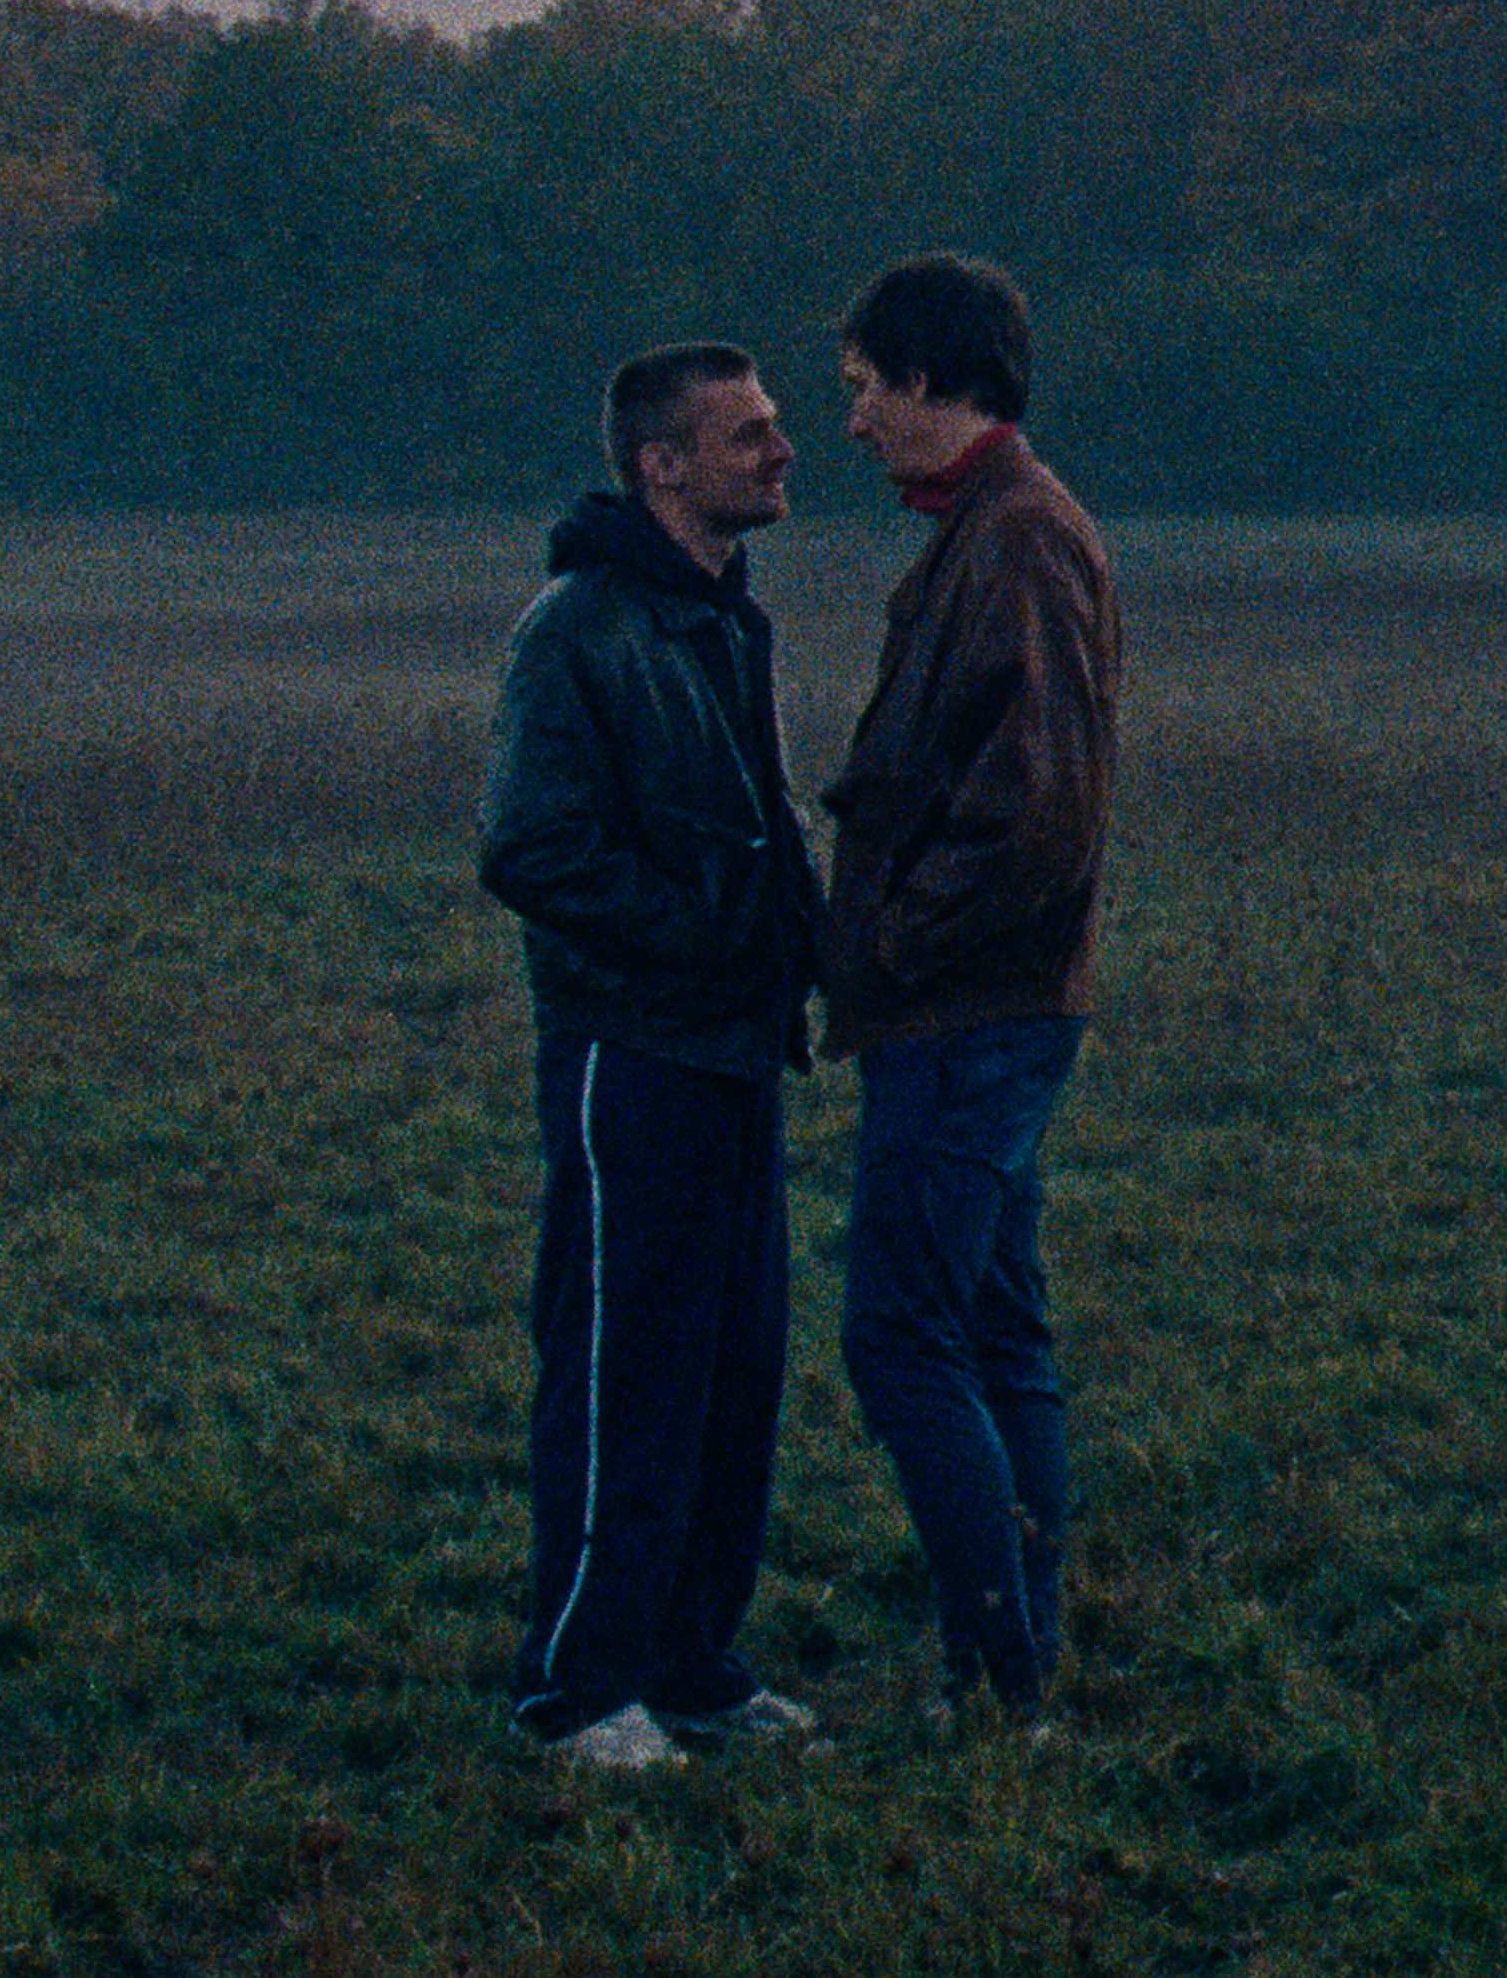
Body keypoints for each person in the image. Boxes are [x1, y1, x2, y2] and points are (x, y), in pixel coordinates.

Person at [476, 343, 829, 1771]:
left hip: (735, 1052)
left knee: (734, 1371)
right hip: (634, 1056)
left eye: (777, 426)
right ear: (660, 466)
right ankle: (578, 1692)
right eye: (748, 435)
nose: (784, 451)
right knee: (625, 1371)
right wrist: (702, 939)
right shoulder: (578, 630)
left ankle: (693, 1671)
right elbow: (530, 846)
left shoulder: (723, 618)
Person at [818, 254, 1120, 1724]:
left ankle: (996, 1677)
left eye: (867, 386)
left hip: (968, 1019)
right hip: (983, 1011)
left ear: (933, 379)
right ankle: (1016, 1669)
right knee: (996, 1330)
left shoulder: (1018, 539)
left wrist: (891, 944)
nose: (855, 420)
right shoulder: (988, 529)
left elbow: (1034, 808)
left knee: (901, 1337)